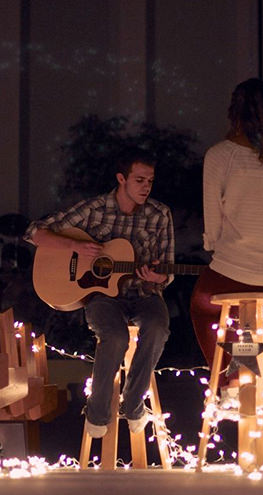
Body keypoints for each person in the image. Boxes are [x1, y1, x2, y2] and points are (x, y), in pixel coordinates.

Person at [25, 148, 174, 439]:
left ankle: (133, 404)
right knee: (115, 336)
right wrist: (75, 247)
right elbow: (34, 232)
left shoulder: (159, 214)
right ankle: (97, 412)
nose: (146, 187)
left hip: (144, 293)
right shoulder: (94, 209)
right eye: (139, 180)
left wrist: (160, 276)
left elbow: (165, 267)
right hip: (101, 297)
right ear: (121, 179)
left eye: (150, 181)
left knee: (158, 327)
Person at [190, 78, 263, 403]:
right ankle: (244, 375)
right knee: (246, 313)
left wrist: (217, 246)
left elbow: (212, 229)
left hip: (237, 270)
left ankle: (227, 382)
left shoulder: (220, 154)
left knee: (203, 307)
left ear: (233, 110)